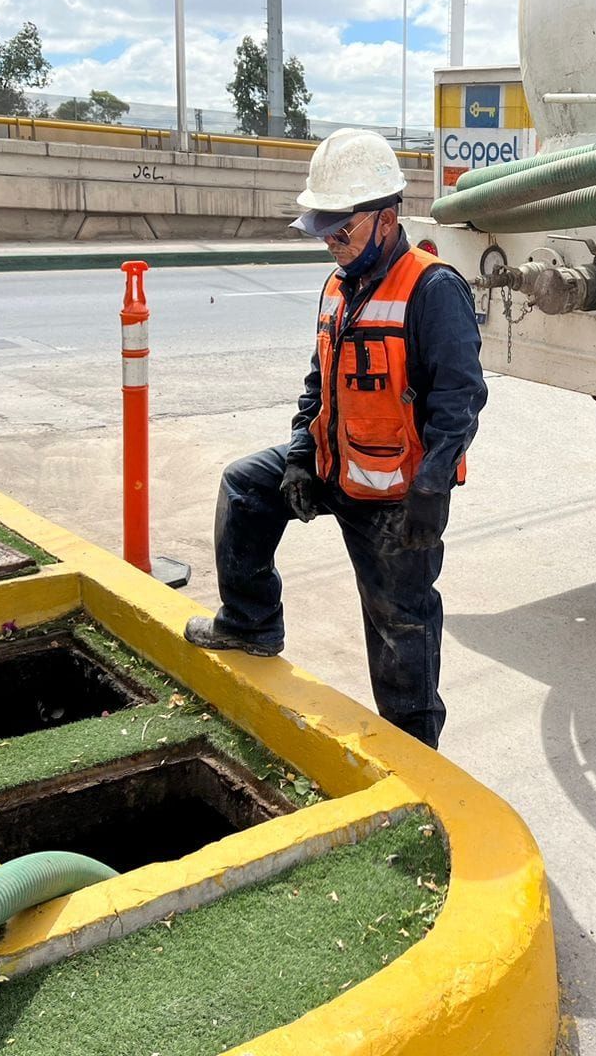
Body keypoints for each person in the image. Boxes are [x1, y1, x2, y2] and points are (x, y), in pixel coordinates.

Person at [185, 129, 486, 748]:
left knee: (400, 626)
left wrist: (431, 486)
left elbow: (461, 399)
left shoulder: (432, 289)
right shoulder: (337, 288)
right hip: (332, 467)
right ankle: (251, 624)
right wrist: (299, 458)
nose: (330, 242)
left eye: (340, 230)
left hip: (396, 496)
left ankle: (414, 750)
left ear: (384, 217)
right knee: (245, 488)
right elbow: (318, 384)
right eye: (323, 229)